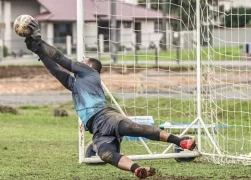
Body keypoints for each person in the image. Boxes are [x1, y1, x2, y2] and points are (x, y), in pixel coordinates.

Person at [24, 20, 196, 179]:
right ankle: (137, 169)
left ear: (89, 66)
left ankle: (181, 141)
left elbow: (61, 59)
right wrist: (39, 51)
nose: (79, 62)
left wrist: (39, 41)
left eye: (82, 61)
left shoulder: (90, 73)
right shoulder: (75, 83)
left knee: (136, 129)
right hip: (97, 128)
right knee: (106, 154)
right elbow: (55, 69)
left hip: (106, 115)